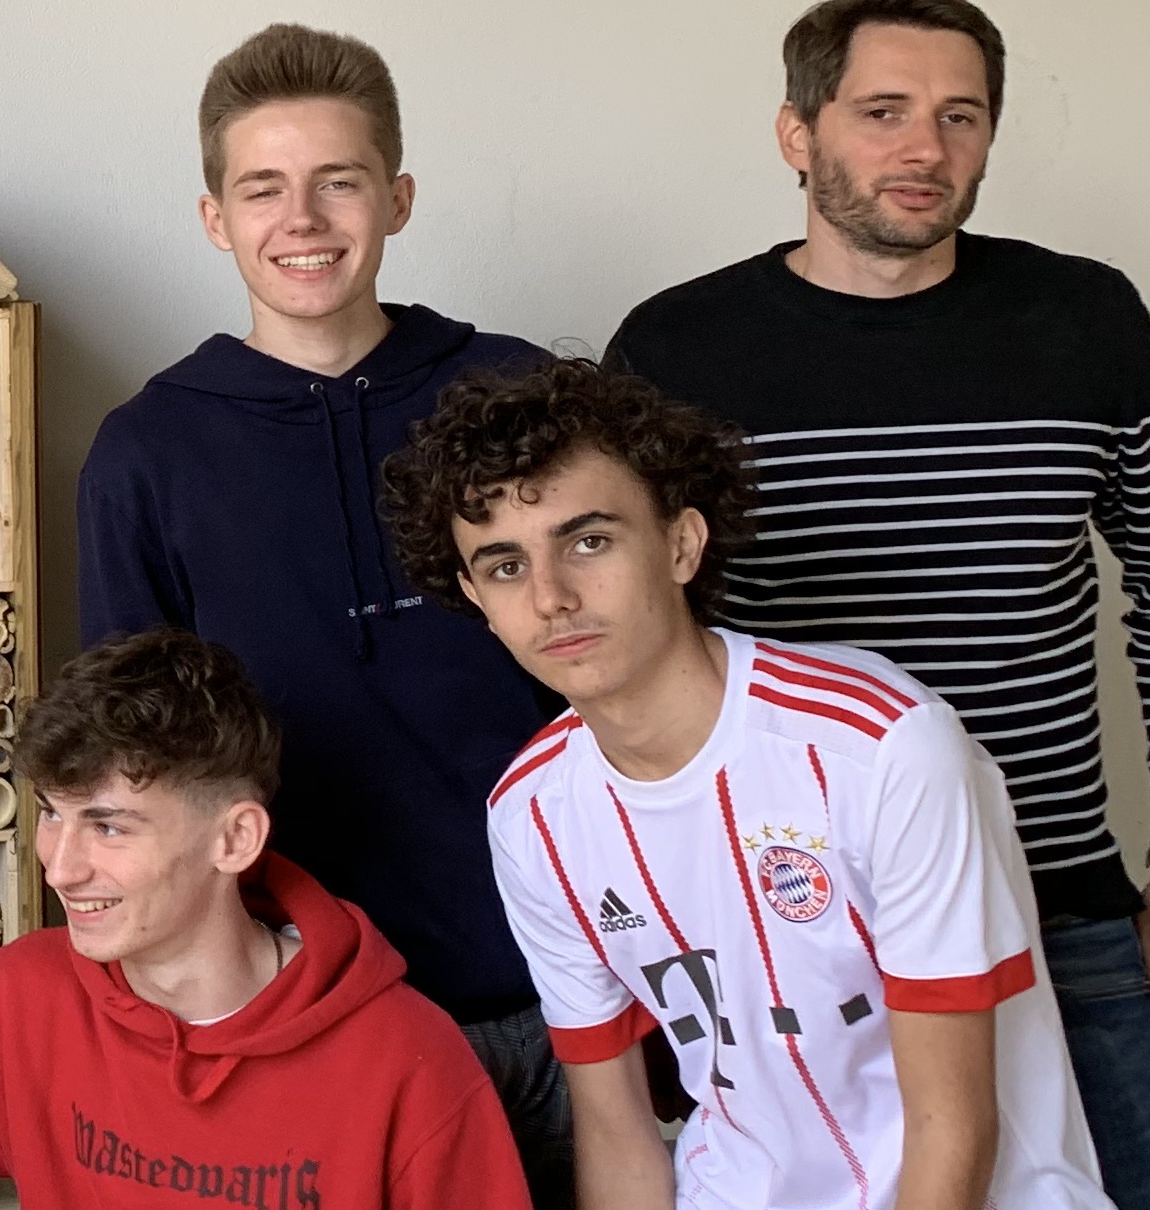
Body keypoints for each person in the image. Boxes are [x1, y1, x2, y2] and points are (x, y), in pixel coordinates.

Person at [598, 3, 1150, 1203]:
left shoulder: (1087, 323)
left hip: (1055, 905)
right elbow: (626, 639)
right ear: (797, 133)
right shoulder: (678, 350)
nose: (926, 149)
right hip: (797, 929)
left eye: (961, 116)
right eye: (883, 111)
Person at [382, 358, 1109, 1210]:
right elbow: (617, 1136)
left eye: (589, 542)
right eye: (506, 565)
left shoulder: (880, 745)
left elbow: (954, 1126)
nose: (551, 598)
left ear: (681, 544)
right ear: (474, 595)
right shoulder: (530, 815)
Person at [71, 23, 571, 1201]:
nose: (302, 219)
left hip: (568, 996)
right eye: (264, 188)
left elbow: (623, 671)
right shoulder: (147, 452)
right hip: (310, 1019)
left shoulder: (514, 393)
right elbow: (137, 764)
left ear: (396, 198)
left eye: (338, 182)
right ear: (216, 218)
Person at [0, 629, 532, 1209]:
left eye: (107, 826)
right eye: (51, 814)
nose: (60, 867)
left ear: (235, 839)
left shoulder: (408, 1061)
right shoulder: (21, 997)